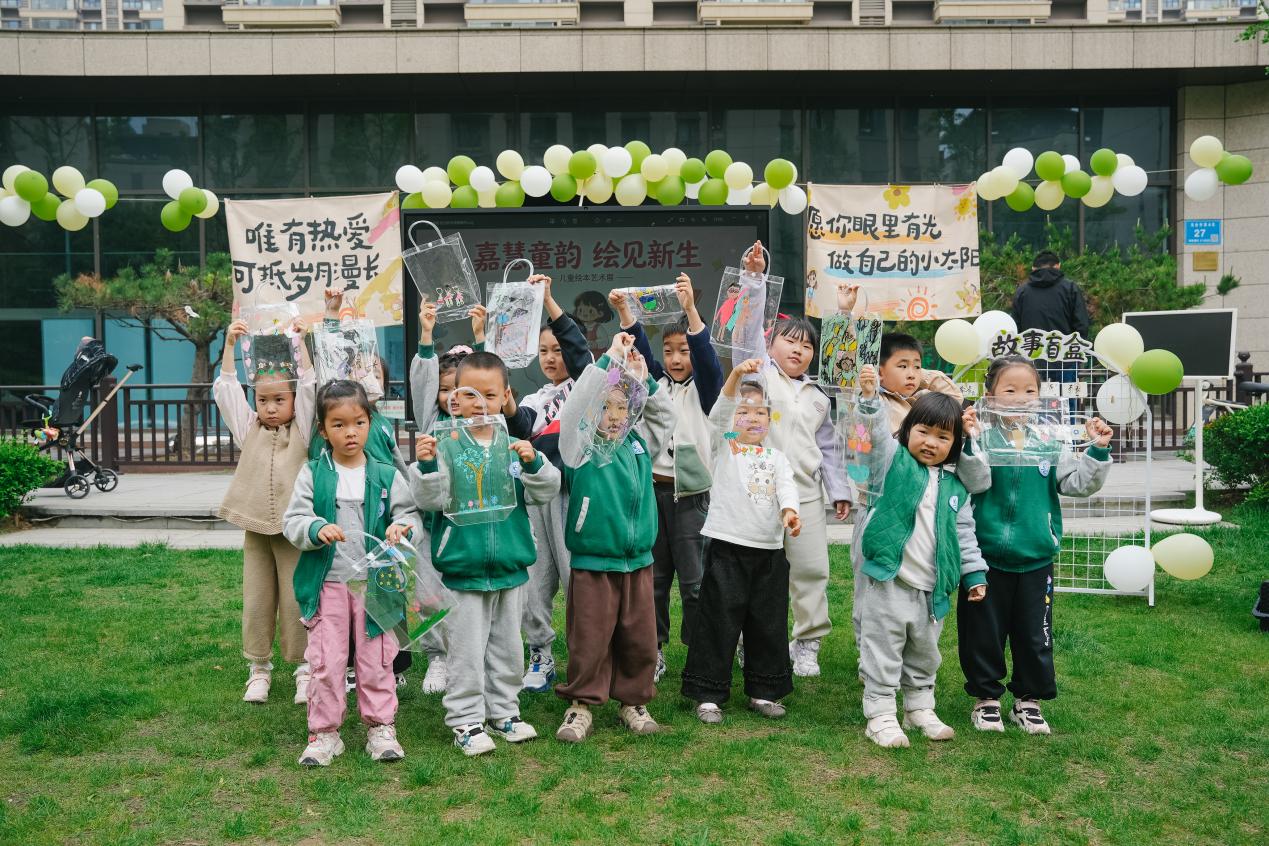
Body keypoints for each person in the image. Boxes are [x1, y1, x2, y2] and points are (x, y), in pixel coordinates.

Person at [410, 351, 563, 756]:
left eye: (490, 396)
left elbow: (546, 490)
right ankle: (465, 719)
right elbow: (429, 500)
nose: (480, 405)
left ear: (505, 397)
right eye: (470, 395)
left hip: (511, 566)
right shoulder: (446, 445)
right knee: (465, 650)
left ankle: (504, 711)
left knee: (507, 649)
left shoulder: (515, 447)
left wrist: (535, 465)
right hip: (463, 568)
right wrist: (425, 468)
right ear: (453, 400)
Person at [956, 355, 1114, 735]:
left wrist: (1096, 450)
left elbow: (1075, 484)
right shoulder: (983, 437)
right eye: (1009, 390)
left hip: (1036, 558)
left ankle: (1028, 700)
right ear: (990, 393)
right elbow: (975, 482)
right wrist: (971, 440)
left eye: (1030, 390)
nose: (1021, 398)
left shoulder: (1049, 440)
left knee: (1034, 634)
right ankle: (986, 699)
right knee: (982, 633)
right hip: (985, 556)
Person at [283, 380, 420, 767]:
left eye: (358, 423)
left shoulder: (387, 474)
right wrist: (314, 528)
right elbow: (293, 520)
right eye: (339, 424)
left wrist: (403, 528)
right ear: (323, 430)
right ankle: (324, 733)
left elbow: (408, 515)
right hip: (327, 585)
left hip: (379, 584)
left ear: (371, 423)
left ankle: (381, 727)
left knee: (378, 657)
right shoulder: (313, 473)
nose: (350, 432)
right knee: (326, 660)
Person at [852, 366, 987, 748]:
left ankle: (919, 708)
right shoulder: (894, 464)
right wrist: (868, 400)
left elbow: (964, 534)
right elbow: (876, 439)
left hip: (934, 586)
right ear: (908, 430)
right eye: (923, 431)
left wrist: (974, 575)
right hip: (890, 579)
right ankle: (879, 713)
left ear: (954, 444)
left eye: (943, 436)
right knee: (883, 648)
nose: (930, 442)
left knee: (925, 653)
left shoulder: (955, 485)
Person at [552, 333, 673, 743]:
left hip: (638, 561)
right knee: (589, 637)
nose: (616, 415)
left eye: (623, 407)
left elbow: (663, 417)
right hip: (594, 562)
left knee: (641, 637)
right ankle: (580, 705)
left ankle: (633, 702)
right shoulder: (579, 447)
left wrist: (645, 379)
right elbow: (574, 409)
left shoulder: (638, 445)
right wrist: (607, 360)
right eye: (607, 407)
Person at [744, 241, 852, 678]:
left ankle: (806, 643)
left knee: (811, 570)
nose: (799, 350)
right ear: (771, 346)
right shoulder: (758, 377)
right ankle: (745, 640)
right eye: (790, 341)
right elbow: (746, 333)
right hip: (755, 491)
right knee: (752, 573)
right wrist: (752, 279)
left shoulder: (817, 394)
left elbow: (828, 447)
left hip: (805, 496)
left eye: (807, 346)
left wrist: (839, 489)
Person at [612, 273, 723, 684]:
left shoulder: (710, 390)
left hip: (693, 499)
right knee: (654, 580)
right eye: (669, 351)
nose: (676, 360)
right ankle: (653, 650)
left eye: (684, 352)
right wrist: (625, 312)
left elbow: (708, 359)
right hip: (652, 495)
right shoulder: (654, 383)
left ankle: (699, 654)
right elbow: (639, 351)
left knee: (695, 583)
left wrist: (691, 309)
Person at [681, 367, 799, 725]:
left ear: (770, 418)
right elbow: (719, 413)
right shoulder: (726, 445)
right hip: (727, 548)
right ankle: (708, 694)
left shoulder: (776, 457)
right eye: (744, 411)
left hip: (769, 553)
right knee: (718, 620)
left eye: (760, 412)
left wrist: (790, 511)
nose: (752, 417)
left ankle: (764, 691)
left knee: (768, 623)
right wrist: (733, 376)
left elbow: (787, 487)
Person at [215, 315, 316, 705]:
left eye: (279, 399)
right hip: (256, 524)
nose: (271, 408)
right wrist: (228, 348)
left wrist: (300, 344)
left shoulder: (305, 431)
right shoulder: (248, 429)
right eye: (262, 400)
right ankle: (258, 668)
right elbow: (226, 392)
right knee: (257, 600)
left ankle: (305, 669)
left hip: (295, 530)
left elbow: (309, 388)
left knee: (297, 599)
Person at [406, 298, 487, 695]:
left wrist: (482, 340)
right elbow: (422, 380)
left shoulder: (486, 426)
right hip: (434, 523)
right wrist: (425, 335)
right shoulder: (432, 422)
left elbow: (493, 383)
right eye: (445, 390)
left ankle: (474, 656)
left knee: (471, 594)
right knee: (428, 589)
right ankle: (437, 656)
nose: (453, 397)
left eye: (462, 390)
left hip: (473, 522)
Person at [515, 275, 593, 694]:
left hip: (573, 494)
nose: (551, 357)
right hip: (535, 495)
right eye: (543, 350)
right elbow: (520, 426)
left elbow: (581, 356)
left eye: (558, 349)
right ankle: (540, 655)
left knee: (577, 578)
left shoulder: (586, 388)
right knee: (535, 580)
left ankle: (585, 658)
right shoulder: (534, 399)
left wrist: (548, 302)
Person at [1010, 251, 1090, 340]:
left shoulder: (1022, 292)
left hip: (1030, 350)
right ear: (1058, 266)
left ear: (1033, 268)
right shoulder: (1070, 289)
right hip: (1062, 351)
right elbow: (1081, 326)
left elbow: (1015, 327)